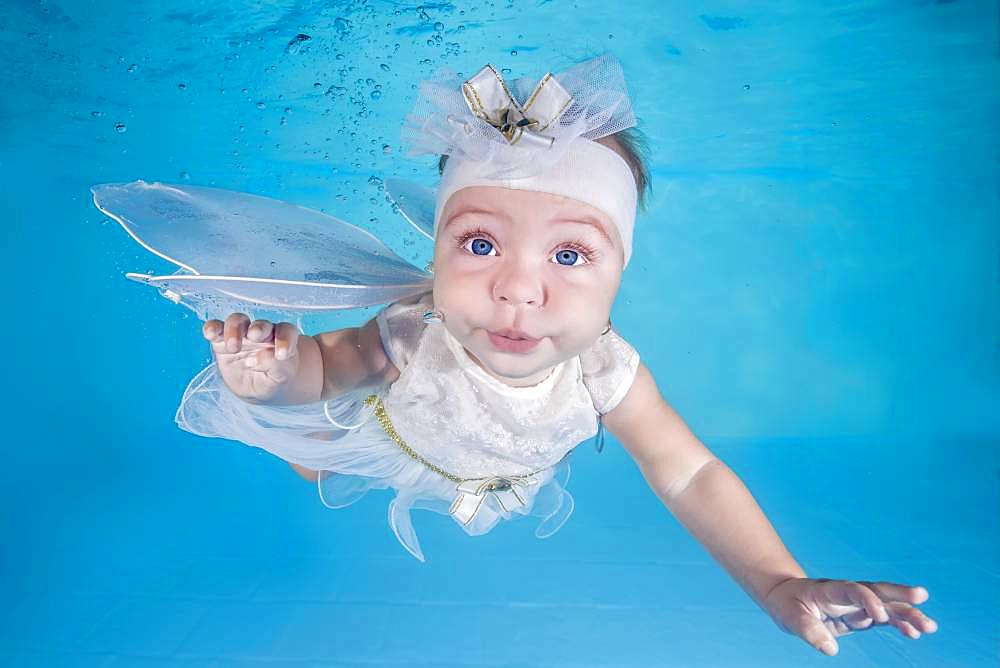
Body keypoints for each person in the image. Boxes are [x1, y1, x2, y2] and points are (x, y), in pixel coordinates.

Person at [97, 53, 937, 656]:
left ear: (620, 275)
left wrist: (777, 582)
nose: (518, 290)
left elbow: (689, 473)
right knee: (318, 449)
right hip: (394, 433)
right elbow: (325, 368)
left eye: (569, 256)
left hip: (496, 470)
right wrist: (276, 379)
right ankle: (309, 456)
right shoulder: (411, 330)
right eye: (480, 245)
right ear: (436, 256)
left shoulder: (609, 370)